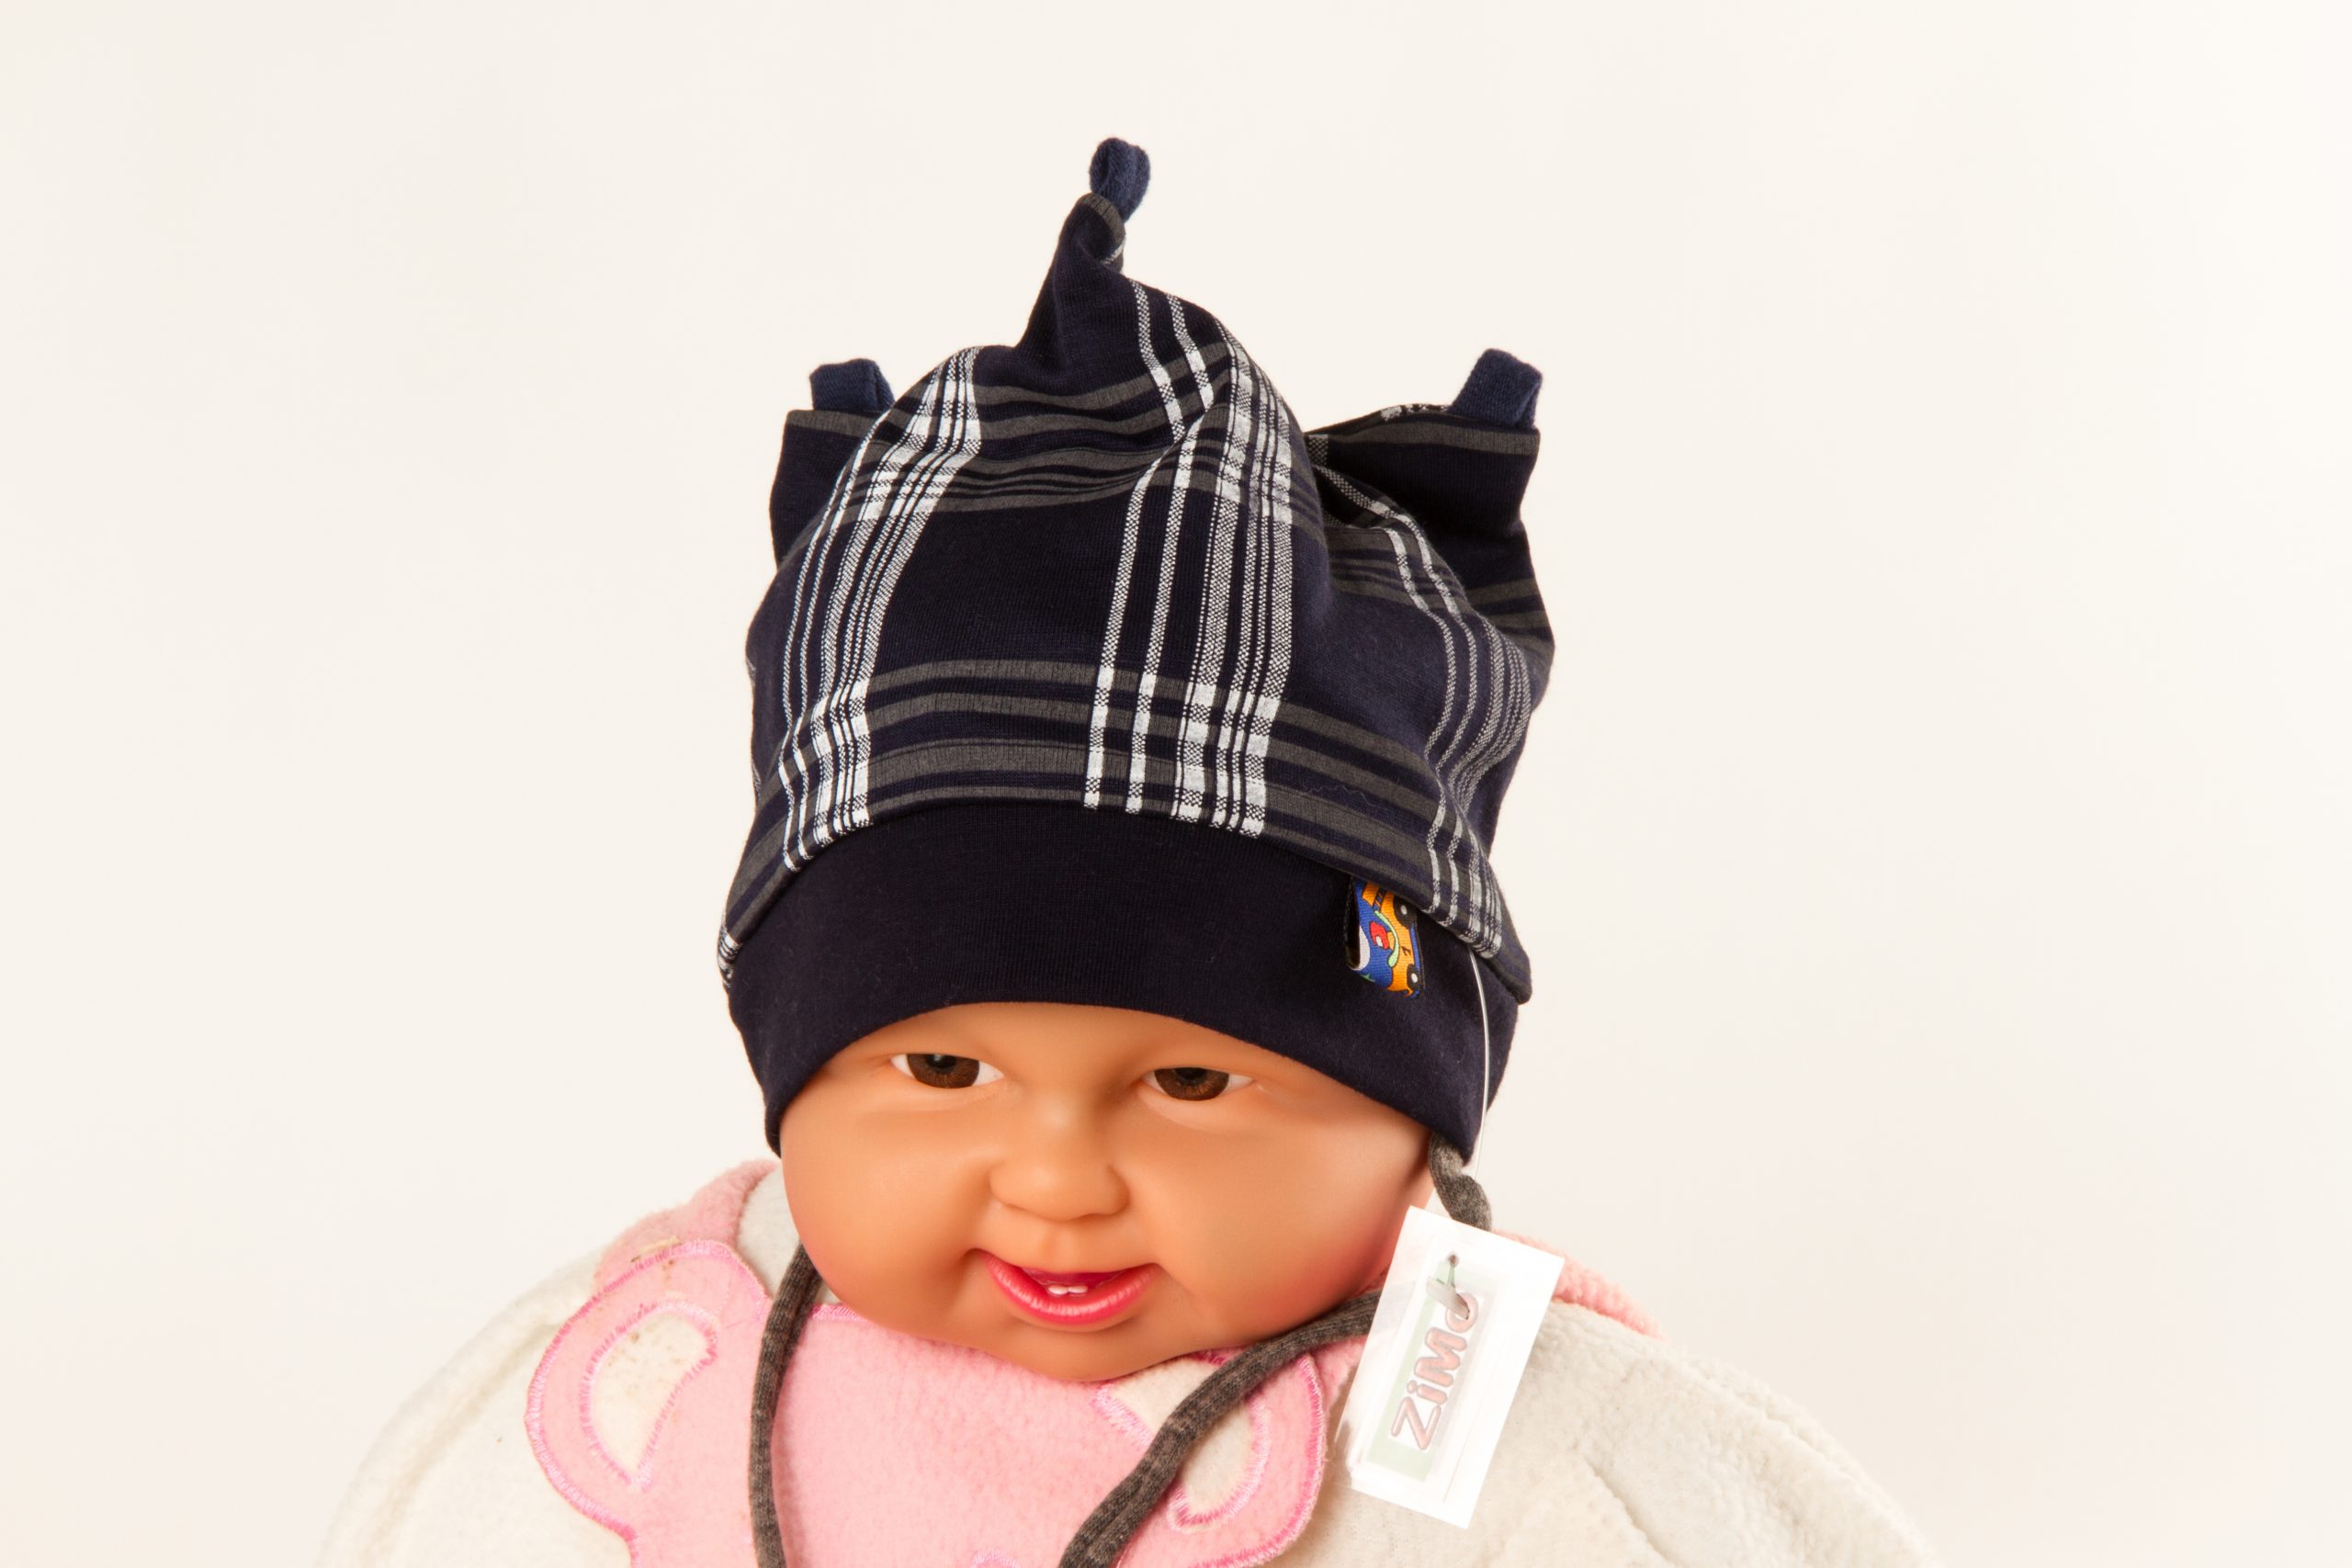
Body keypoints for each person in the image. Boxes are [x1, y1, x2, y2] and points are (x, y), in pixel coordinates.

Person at [318, 137, 1941, 1566]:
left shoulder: (1534, 1457)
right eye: (941, 1069)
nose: (1055, 1181)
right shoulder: (661, 1370)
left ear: (1410, 1105)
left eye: (1191, 1081)